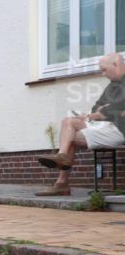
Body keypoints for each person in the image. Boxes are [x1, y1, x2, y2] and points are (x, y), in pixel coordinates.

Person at [37, 52, 125, 195]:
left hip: (120, 129)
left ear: (116, 64)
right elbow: (97, 108)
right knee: (68, 122)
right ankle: (62, 156)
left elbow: (118, 105)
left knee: (70, 136)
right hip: (105, 126)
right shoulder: (112, 86)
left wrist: (106, 110)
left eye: (104, 69)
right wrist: (103, 111)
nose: (103, 74)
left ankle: (62, 183)